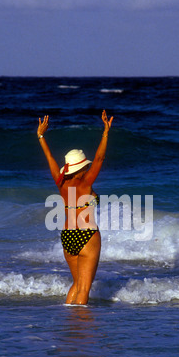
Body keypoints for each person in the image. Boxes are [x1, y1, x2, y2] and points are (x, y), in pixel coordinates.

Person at [37, 110, 113, 305]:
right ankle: (80, 328)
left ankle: (69, 323)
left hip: (67, 237)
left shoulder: (61, 182)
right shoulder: (86, 182)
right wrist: (105, 132)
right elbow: (99, 159)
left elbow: (50, 160)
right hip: (87, 236)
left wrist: (41, 136)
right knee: (84, 290)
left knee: (77, 284)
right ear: (82, 168)